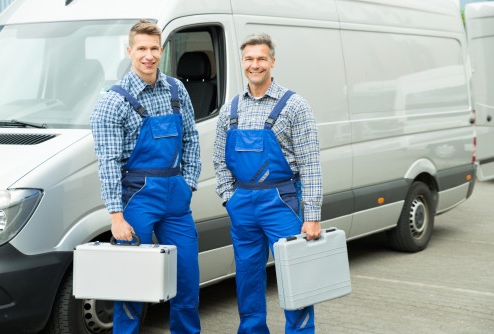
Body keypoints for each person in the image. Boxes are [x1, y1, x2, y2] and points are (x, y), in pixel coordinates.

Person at [90, 19, 201, 334]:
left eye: (154, 48)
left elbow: (191, 139)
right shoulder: (112, 103)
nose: (148, 55)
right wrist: (116, 216)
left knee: (188, 280)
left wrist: (188, 182)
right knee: (131, 286)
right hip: (137, 199)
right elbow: (109, 163)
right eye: (142, 48)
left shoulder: (176, 89)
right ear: (129, 51)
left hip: (177, 198)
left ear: (162, 51)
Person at [213, 33, 323, 333]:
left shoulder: (294, 106)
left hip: (282, 202)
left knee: (295, 277)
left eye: (261, 58)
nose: (255, 65)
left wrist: (312, 216)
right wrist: (229, 199)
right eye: (249, 59)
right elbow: (219, 160)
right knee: (248, 277)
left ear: (272, 62)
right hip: (243, 205)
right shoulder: (231, 109)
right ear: (242, 63)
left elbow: (311, 164)